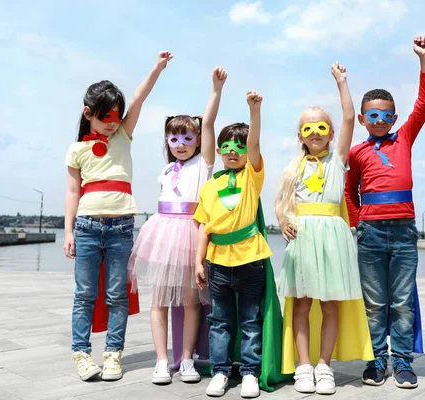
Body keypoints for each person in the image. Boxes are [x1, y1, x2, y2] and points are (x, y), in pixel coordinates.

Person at [63, 51, 173, 382]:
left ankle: (113, 354)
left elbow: (140, 97)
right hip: (86, 227)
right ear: (88, 113)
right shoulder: (77, 149)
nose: (112, 121)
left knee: (116, 294)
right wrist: (68, 231)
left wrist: (157, 68)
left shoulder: (124, 135)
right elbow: (72, 192)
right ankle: (82, 354)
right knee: (84, 294)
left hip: (122, 227)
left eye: (117, 115)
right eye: (105, 115)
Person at [276, 62, 373, 395]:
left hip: (332, 236)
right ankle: (303, 365)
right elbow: (282, 203)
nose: (314, 133)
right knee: (302, 303)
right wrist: (284, 220)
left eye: (320, 127)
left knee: (330, 304)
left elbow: (348, 117)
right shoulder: (292, 168)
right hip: (303, 237)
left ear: (330, 133)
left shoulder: (338, 160)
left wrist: (342, 82)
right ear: (299, 135)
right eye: (307, 128)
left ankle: (324, 365)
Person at [344, 36, 425, 389]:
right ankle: (376, 360)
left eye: (386, 115)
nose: (379, 120)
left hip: (404, 231)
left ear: (394, 118)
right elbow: (350, 192)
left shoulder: (405, 138)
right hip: (371, 233)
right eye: (373, 115)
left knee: (401, 301)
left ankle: (403, 361)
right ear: (364, 119)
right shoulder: (356, 153)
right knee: (374, 302)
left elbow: (424, 105)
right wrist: (358, 223)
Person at [127, 67, 227, 384]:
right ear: (167, 141)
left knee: (190, 300)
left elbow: (209, 124)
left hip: (190, 234)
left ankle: (186, 359)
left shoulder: (203, 164)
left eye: (187, 137)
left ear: (197, 140)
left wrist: (215, 89)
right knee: (158, 301)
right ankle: (161, 360)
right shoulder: (166, 170)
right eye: (174, 138)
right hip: (161, 235)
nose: (180, 143)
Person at [194, 91, 289, 398]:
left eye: (239, 146)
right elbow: (203, 227)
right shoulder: (210, 186)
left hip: (250, 260)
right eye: (226, 145)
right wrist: (198, 261)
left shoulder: (252, 177)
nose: (232, 151)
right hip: (217, 262)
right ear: (219, 149)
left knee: (250, 320)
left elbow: (256, 145)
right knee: (219, 321)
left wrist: (255, 112)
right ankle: (221, 371)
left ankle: (249, 371)